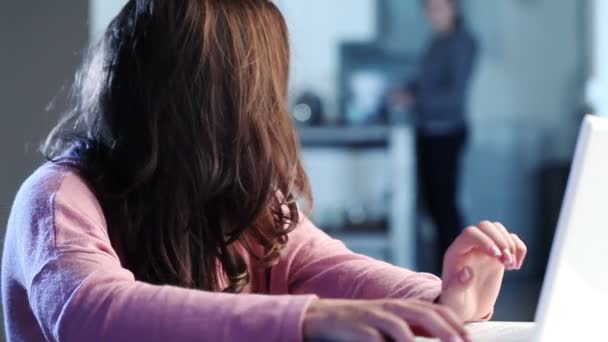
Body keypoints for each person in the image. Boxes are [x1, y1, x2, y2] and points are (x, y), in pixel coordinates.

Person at [1, 1, 525, 341]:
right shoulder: (57, 198)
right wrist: (306, 320)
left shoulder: (244, 202)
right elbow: (93, 313)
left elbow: (330, 268)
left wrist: (439, 299)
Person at [395, 0, 479, 273]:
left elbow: (452, 97)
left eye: (438, 7)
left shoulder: (463, 43)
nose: (432, 14)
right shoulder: (436, 42)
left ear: (454, 8)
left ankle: (458, 273)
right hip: (428, 132)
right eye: (429, 8)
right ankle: (443, 273)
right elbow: (427, 83)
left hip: (446, 132)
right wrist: (408, 89)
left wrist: (415, 99)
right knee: (432, 207)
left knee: (445, 208)